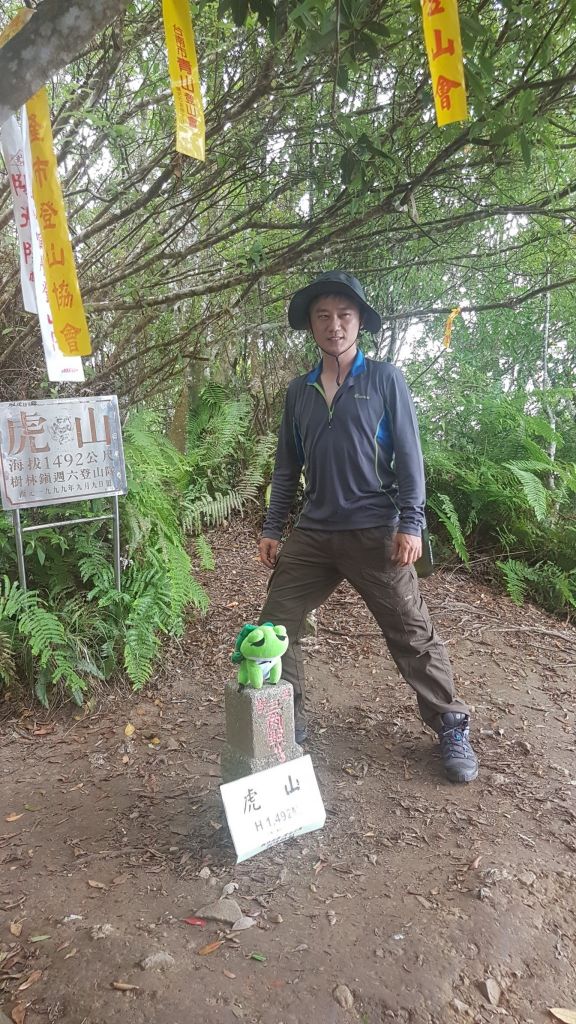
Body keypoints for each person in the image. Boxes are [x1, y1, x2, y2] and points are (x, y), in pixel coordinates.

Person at [257, 270, 478, 784]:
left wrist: (412, 521)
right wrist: (273, 525)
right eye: (323, 316)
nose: (334, 325)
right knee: (275, 626)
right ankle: (287, 721)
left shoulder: (384, 380)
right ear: (311, 326)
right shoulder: (299, 391)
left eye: (344, 315)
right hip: (313, 533)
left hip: (376, 529)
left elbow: (409, 458)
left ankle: (450, 723)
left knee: (410, 631)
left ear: (359, 323)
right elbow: (287, 467)